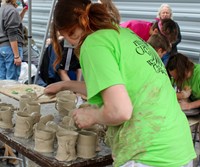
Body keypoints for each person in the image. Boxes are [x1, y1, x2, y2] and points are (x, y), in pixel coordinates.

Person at [44, 0, 196, 166]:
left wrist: (92, 116)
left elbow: (120, 110)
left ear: (67, 31)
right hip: (178, 147)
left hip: (151, 153)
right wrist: (65, 85)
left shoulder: (93, 43)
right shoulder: (124, 34)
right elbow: (111, 86)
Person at [0, 0, 27, 80]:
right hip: (11, 48)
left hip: (2, 47)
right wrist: (16, 56)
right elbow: (12, 33)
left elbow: (15, 23)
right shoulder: (12, 11)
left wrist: (23, 12)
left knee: (2, 78)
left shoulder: (2, 9)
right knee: (11, 81)